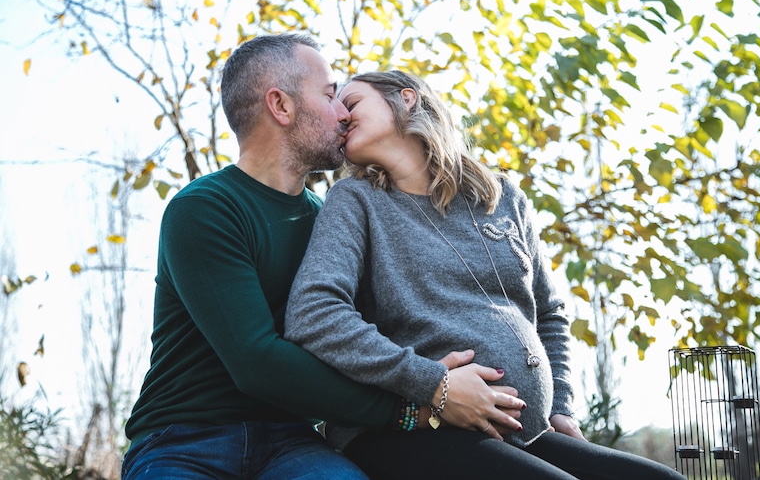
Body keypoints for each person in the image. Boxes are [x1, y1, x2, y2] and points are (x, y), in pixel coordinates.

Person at [121, 34, 524, 479]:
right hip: (184, 439)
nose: (344, 113)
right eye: (331, 95)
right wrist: (417, 404)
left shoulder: (333, 218)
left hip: (295, 442)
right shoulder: (205, 208)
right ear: (282, 106)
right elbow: (256, 362)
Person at [284, 70, 687, 479]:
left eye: (351, 103)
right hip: (416, 429)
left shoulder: (504, 198)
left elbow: (548, 312)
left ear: (406, 99)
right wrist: (433, 382)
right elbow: (314, 313)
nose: (339, 116)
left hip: (522, 433)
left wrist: (561, 404)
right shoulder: (354, 202)